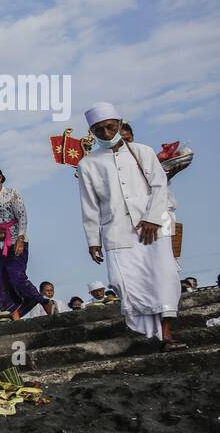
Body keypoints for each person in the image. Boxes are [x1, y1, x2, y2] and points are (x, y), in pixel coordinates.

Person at [78, 102, 182, 348]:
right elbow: (89, 204)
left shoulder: (142, 151)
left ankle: (166, 335)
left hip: (153, 229)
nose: (106, 133)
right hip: (116, 231)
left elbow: (159, 186)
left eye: (110, 127)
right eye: (99, 130)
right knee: (124, 282)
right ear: (92, 132)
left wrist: (152, 218)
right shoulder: (88, 164)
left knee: (163, 278)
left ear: (119, 124)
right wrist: (93, 240)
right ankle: (149, 334)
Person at [0, 166, 52, 319]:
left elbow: (22, 217)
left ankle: (44, 301)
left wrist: (20, 239)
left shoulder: (11, 194)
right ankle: (14, 313)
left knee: (17, 277)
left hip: (13, 241)